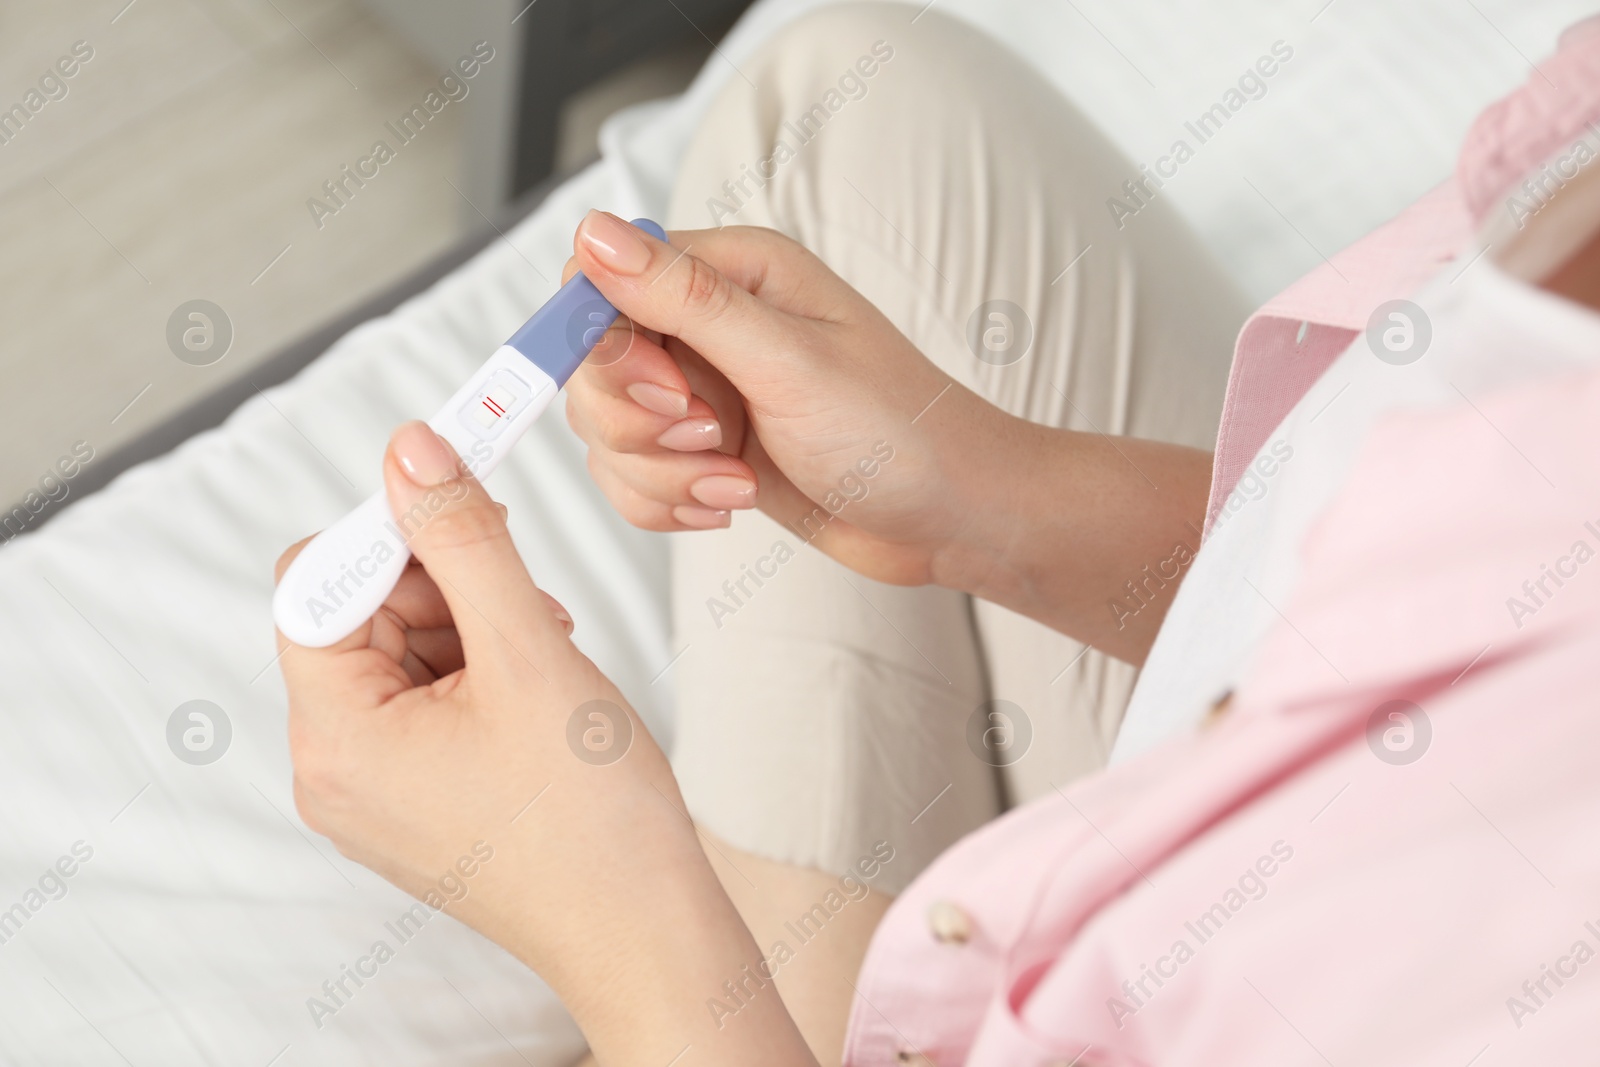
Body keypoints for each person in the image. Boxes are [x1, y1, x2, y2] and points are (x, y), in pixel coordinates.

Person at [276, 6, 1600, 1065]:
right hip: (1259, 761)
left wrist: (625, 938)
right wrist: (991, 501)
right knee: (838, 114)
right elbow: (1400, 571)